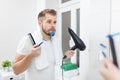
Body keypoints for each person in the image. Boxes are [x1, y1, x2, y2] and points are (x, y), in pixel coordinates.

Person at [12, 9, 74, 80]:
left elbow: (53, 61)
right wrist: (31, 55)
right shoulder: (28, 40)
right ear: (40, 23)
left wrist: (65, 56)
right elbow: (16, 70)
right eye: (49, 22)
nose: (53, 25)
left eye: (54, 22)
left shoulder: (55, 41)